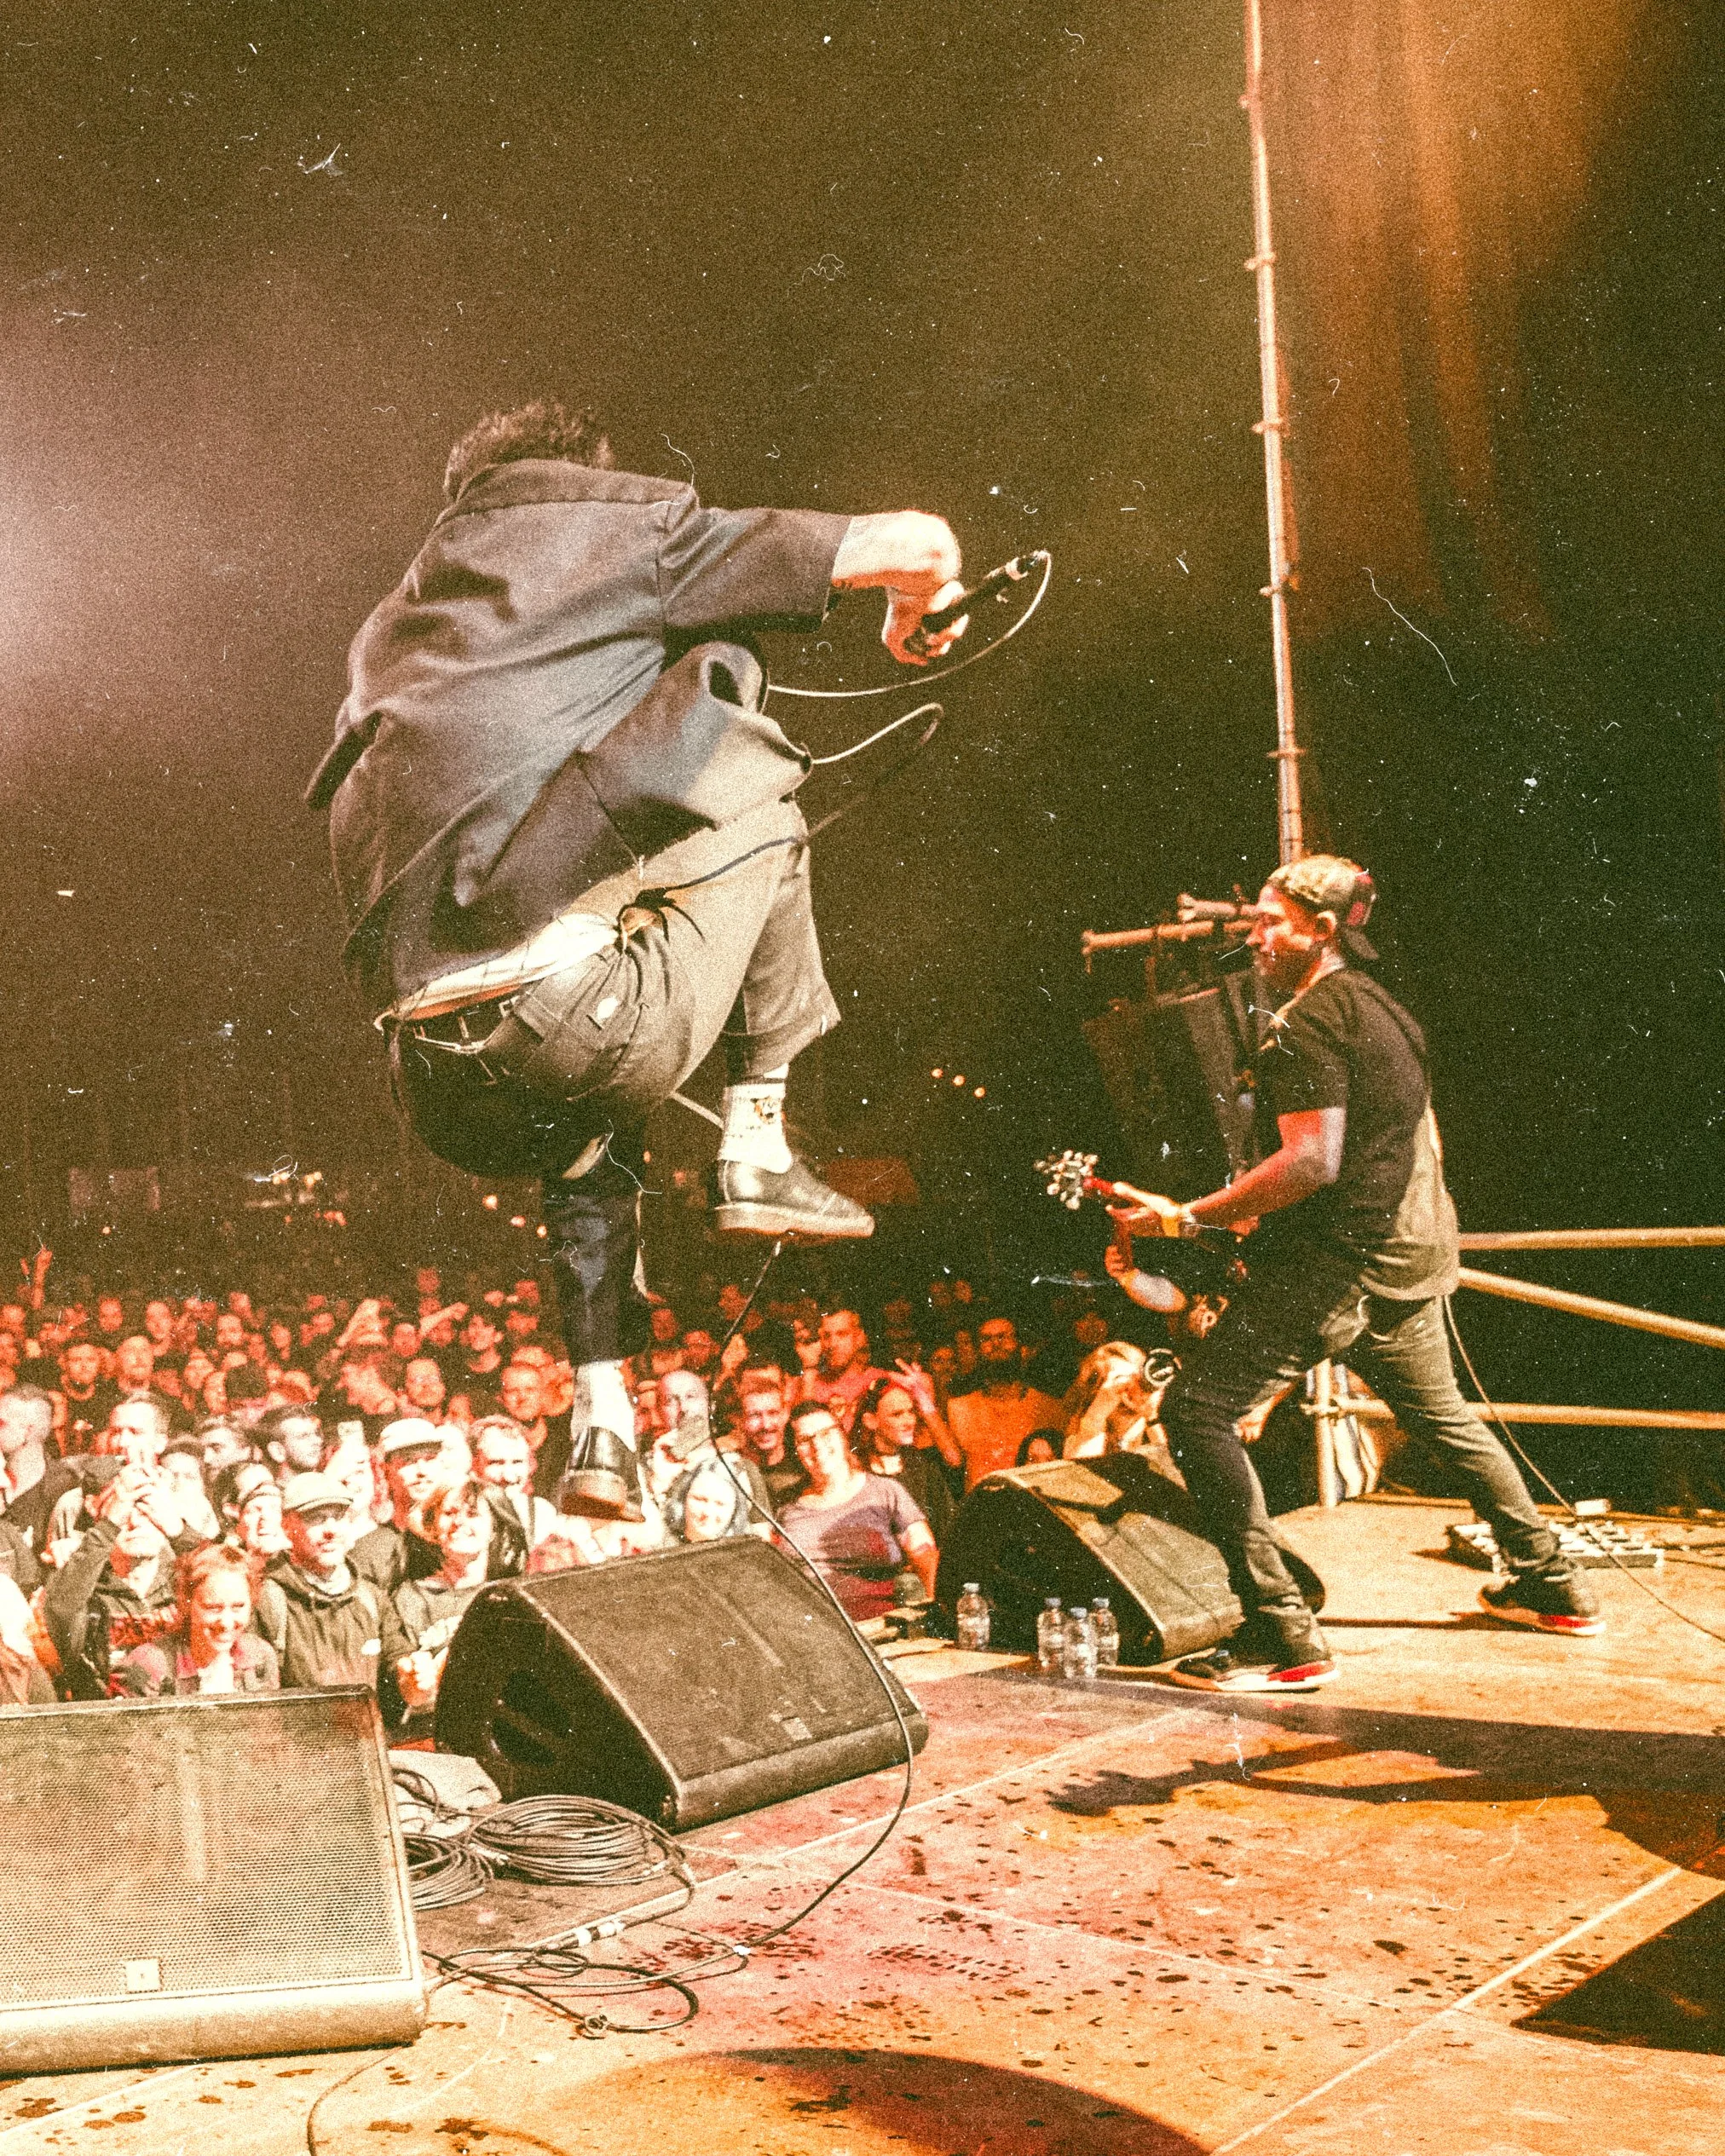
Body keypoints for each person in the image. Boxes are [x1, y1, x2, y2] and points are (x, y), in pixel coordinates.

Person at [306, 399, 969, 1524]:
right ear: (580, 474)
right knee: (756, 764)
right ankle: (759, 1142)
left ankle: (603, 1425)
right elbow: (920, 542)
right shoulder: (620, 530)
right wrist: (921, 607)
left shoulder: (392, 632)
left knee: (587, 1136)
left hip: (435, 1077)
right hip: (577, 1019)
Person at [1108, 855, 1601, 1694]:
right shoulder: (1386, 1013)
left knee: (1195, 1411)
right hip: (1401, 1263)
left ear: (1321, 929)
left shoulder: (1306, 1023)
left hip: (1335, 1270)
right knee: (1444, 1418)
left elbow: (1310, 1161)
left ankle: (1280, 1636)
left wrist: (1186, 1216)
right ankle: (1552, 1583)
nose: (1253, 937)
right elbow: (1384, 1152)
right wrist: (1248, 1209)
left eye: (1269, 921)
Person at [777, 1401, 938, 1622]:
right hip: (810, 1628)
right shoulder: (784, 1506)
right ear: (795, 1450)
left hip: (880, 1626)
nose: (817, 1446)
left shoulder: (886, 1492)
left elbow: (927, 1560)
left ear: (843, 1437)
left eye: (826, 1433)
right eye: (805, 1440)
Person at [382, 1475, 506, 1741]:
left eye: (472, 1514)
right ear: (433, 1526)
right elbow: (401, 1672)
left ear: (495, 1527)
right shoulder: (409, 1597)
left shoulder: (508, 1594)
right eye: (449, 1513)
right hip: (427, 1734)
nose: (459, 1522)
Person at [257, 1472, 387, 1690]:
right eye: (315, 1519)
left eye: (339, 1517)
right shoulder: (270, 1599)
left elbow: (398, 1665)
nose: (331, 1530)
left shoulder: (369, 1597)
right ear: (287, 1527)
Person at [110, 1543, 279, 1698]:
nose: (226, 1623)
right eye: (213, 1608)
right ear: (186, 1603)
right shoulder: (149, 1665)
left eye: (238, 1607)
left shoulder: (260, 1656)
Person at [945, 1317, 1063, 1490]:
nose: (995, 1344)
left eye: (1003, 1337)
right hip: (981, 1511)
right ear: (977, 1353)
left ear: (1023, 1351)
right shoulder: (959, 1408)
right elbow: (953, 1460)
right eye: (986, 1339)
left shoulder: (1048, 1407)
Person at [852, 1375, 960, 1548]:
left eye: (911, 1412)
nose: (909, 1421)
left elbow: (948, 1526)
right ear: (870, 1421)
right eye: (897, 1414)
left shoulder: (922, 1466)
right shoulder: (856, 1471)